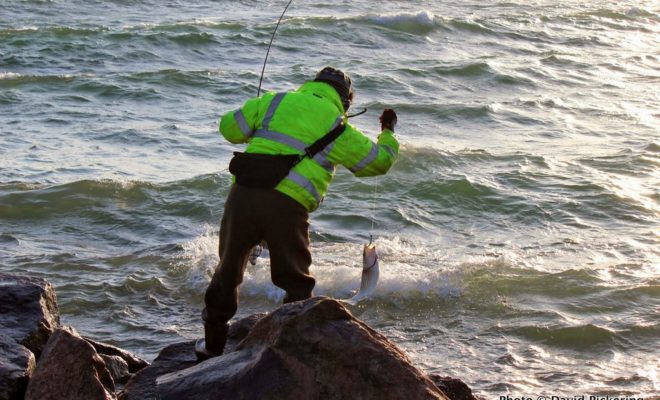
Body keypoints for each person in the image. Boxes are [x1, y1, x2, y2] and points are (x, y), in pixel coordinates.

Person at [196, 67, 399, 360]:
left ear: (313, 84)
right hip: (288, 207)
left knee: (227, 272)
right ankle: (293, 353)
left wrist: (255, 120)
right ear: (346, 102)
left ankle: (212, 345)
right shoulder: (338, 127)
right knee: (296, 281)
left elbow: (229, 128)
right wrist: (388, 133)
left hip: (242, 196)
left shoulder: (275, 101)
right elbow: (377, 163)